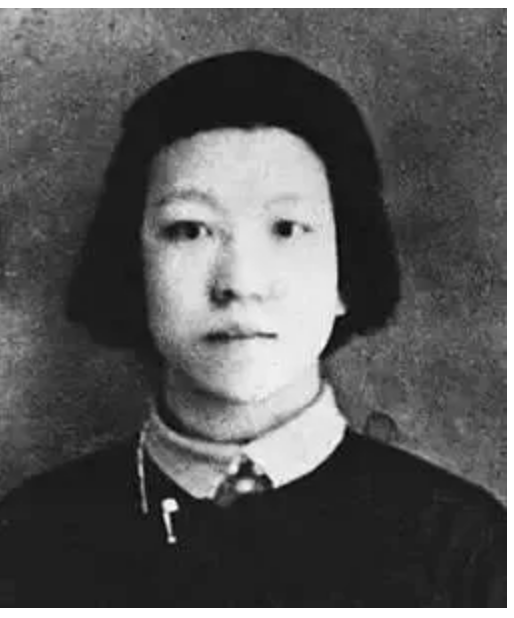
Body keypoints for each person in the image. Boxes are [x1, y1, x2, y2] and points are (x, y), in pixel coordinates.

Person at [0, 50, 505, 607]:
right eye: (189, 229)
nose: (240, 283)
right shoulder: (28, 537)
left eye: (286, 228)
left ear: (347, 270)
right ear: (131, 268)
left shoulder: (467, 548)